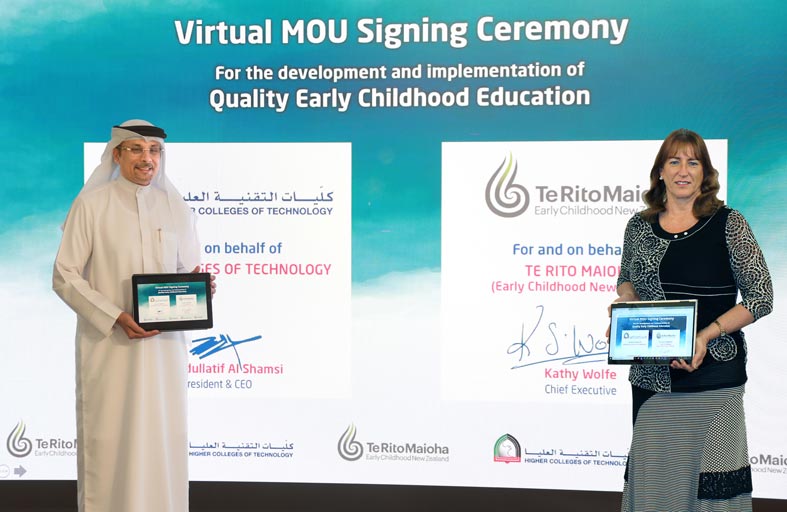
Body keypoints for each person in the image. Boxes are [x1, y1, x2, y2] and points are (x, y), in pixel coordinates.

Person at [53, 120, 213, 512]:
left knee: (163, 439)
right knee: (111, 439)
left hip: (164, 351)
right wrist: (114, 316)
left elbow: (185, 272)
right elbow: (64, 275)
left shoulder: (175, 207)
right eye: (137, 149)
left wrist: (199, 290)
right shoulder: (92, 205)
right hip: (110, 347)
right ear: (117, 154)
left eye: (154, 151)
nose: (147, 159)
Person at [613, 129, 773, 511]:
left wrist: (705, 336)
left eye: (693, 162)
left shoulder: (729, 223)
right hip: (652, 382)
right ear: (660, 171)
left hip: (713, 381)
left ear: (705, 172)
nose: (683, 170)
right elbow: (626, 280)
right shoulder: (638, 226)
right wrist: (626, 309)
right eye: (674, 161)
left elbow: (761, 296)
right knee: (657, 490)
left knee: (712, 494)